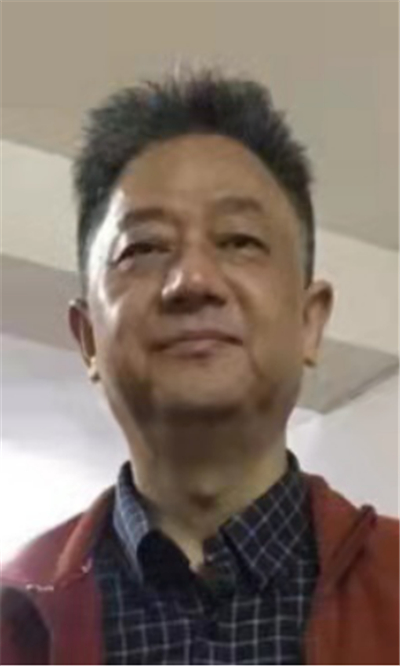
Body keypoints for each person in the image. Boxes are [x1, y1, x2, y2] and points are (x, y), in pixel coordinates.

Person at [0, 69, 398, 666]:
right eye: (143, 248)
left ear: (309, 322)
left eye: (239, 240)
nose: (192, 281)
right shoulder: (13, 624)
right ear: (87, 339)